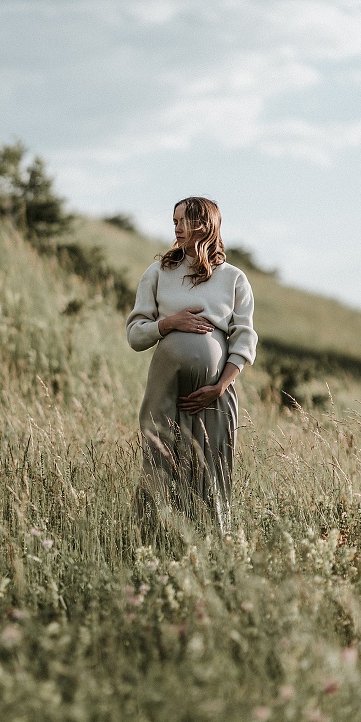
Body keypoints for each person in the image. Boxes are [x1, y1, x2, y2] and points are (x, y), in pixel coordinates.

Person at [126, 197, 258, 533]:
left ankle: (211, 543)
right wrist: (170, 323)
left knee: (210, 470)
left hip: (214, 393)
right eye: (175, 221)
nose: (177, 228)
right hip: (166, 386)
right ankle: (150, 537)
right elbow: (135, 335)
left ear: (206, 225)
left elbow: (244, 340)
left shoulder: (234, 279)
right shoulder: (158, 273)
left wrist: (220, 386)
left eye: (184, 220)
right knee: (159, 463)